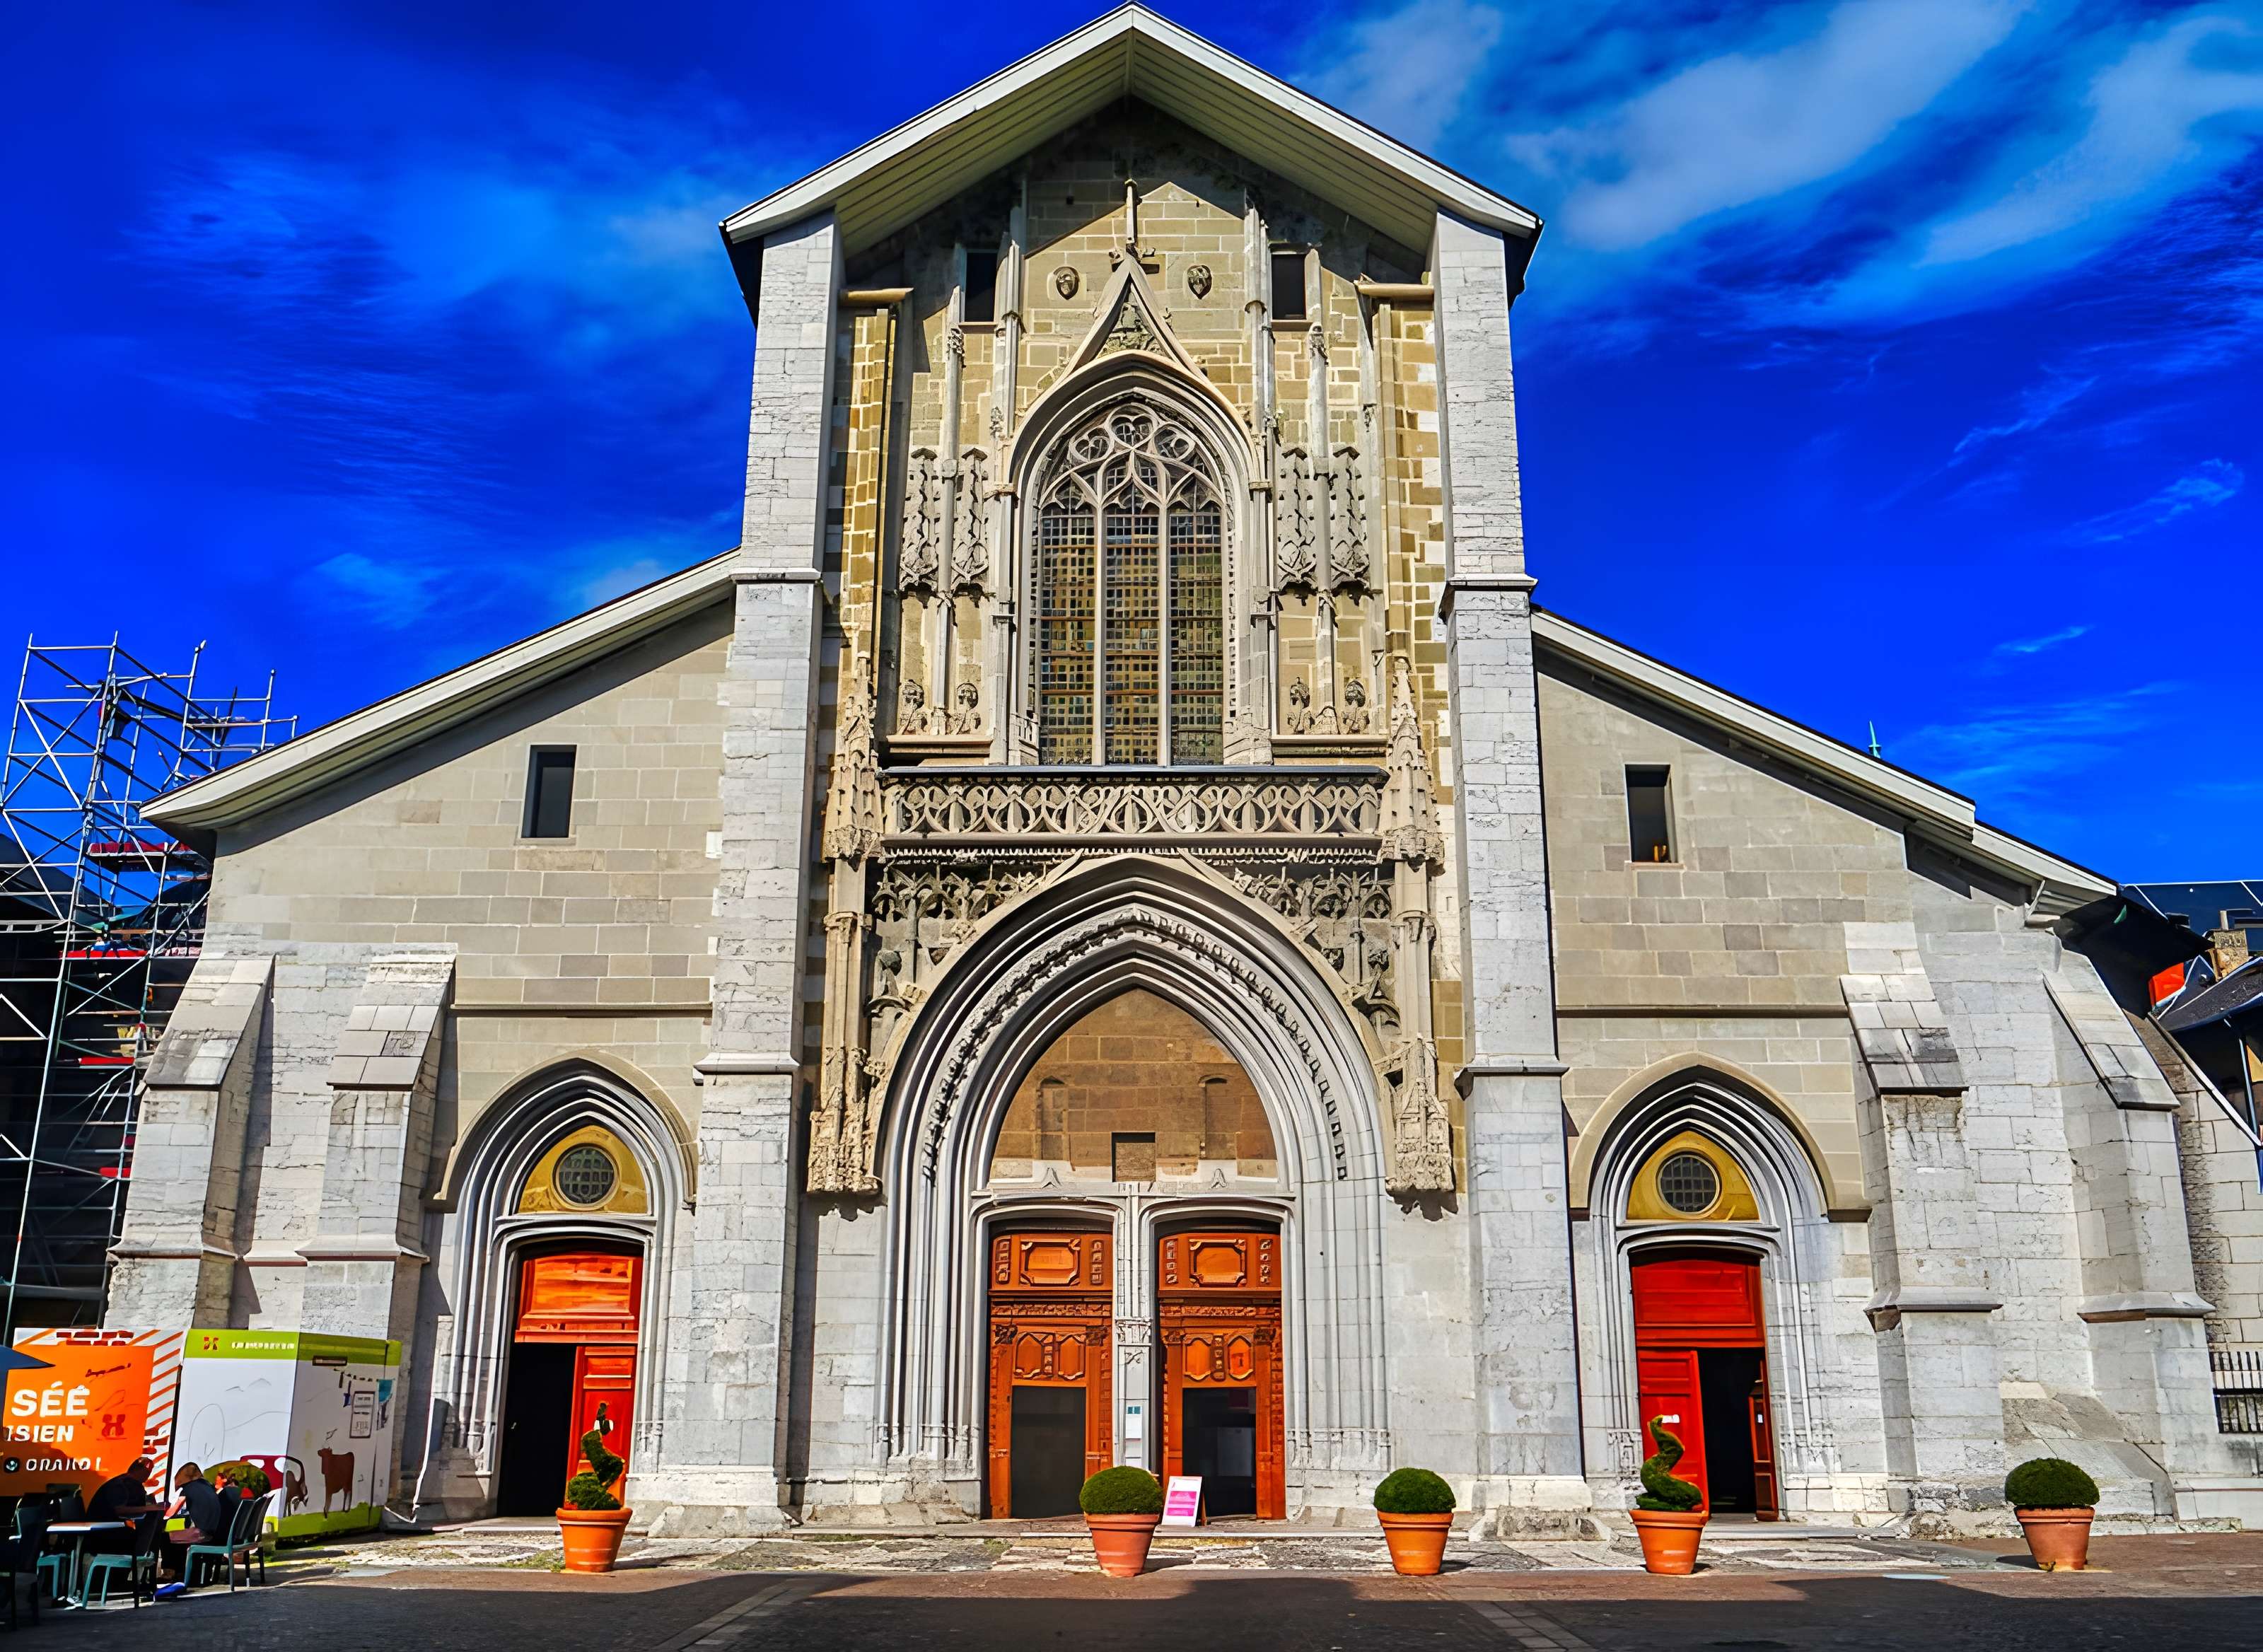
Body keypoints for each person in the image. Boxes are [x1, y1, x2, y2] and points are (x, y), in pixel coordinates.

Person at [158, 1464, 230, 1581]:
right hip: (215, 1531)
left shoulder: (187, 1488)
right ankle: (181, 1572)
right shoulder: (208, 1487)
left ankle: (169, 1572)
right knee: (179, 1535)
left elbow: (171, 1512)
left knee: (166, 1536)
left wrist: (161, 1513)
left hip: (202, 1533)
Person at [81, 1458, 162, 1555]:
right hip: (100, 1534)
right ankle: (134, 1562)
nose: (148, 1475)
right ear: (140, 1470)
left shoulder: (127, 1483)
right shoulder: (120, 1485)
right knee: (130, 1536)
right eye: (148, 1471)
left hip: (107, 1530)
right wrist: (150, 1508)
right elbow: (119, 1510)